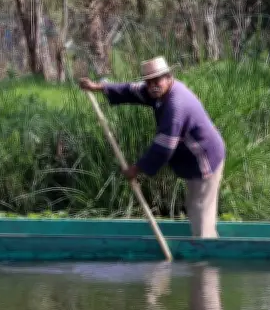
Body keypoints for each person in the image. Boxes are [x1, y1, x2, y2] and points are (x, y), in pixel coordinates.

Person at [80, 56, 226, 239]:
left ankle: (205, 256)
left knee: (200, 209)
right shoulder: (159, 91)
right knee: (195, 205)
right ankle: (203, 244)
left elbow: (163, 148)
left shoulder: (176, 105)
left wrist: (136, 169)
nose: (152, 86)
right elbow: (131, 90)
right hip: (193, 158)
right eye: (148, 82)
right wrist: (99, 87)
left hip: (204, 158)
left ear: (168, 77)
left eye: (156, 81)